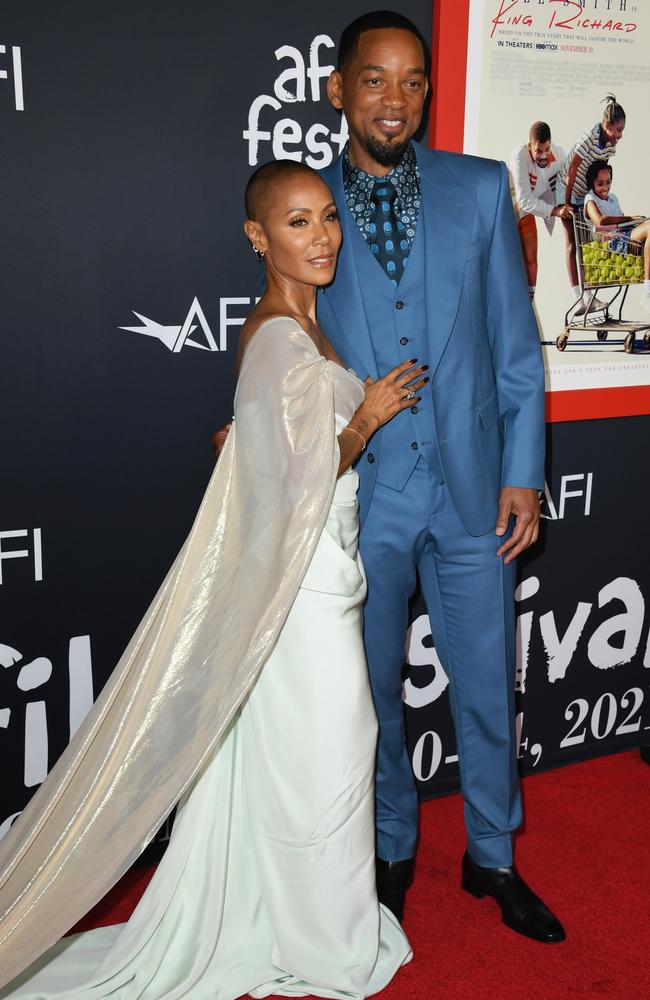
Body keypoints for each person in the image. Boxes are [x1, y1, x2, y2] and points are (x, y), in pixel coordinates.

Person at [0, 161, 423, 997]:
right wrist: (367, 417)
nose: (322, 237)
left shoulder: (301, 327)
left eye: (327, 217)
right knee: (331, 761)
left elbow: (272, 464)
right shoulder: (277, 333)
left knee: (307, 759)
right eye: (296, 223)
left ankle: (295, 916)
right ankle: (327, 943)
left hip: (315, 577)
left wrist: (251, 451)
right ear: (257, 238)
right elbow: (308, 477)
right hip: (304, 594)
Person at [214, 10, 565, 943]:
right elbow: (282, 334)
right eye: (375, 79)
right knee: (368, 695)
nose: (394, 100)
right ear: (339, 90)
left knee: (487, 687)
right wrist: (256, 429)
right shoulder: (307, 209)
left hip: (470, 492)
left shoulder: (483, 189)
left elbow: (516, 349)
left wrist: (523, 473)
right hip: (364, 496)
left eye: (413, 82)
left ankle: (492, 856)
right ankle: (390, 849)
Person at [556, 94, 626, 315]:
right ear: (607, 125)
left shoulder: (610, 148)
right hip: (567, 190)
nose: (620, 135)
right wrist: (567, 204)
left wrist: (599, 203)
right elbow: (572, 169)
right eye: (618, 130)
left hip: (584, 194)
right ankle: (578, 298)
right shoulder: (589, 138)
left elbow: (600, 174)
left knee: (586, 246)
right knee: (571, 244)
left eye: (622, 130)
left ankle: (589, 297)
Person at [508, 121, 571, 300]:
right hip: (511, 207)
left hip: (532, 209)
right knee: (510, 259)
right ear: (530, 146)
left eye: (546, 149)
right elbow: (524, 200)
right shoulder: (519, 155)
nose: (543, 155)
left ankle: (529, 302)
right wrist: (555, 211)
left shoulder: (558, 154)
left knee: (532, 260)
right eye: (538, 151)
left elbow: (567, 184)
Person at [582, 159, 650, 312]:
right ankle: (647, 293)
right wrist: (630, 218)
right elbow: (600, 221)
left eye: (608, 182)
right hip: (612, 245)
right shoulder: (590, 199)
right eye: (600, 184)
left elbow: (623, 222)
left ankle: (648, 291)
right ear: (591, 183)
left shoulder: (613, 198)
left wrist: (638, 221)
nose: (605, 188)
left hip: (624, 236)